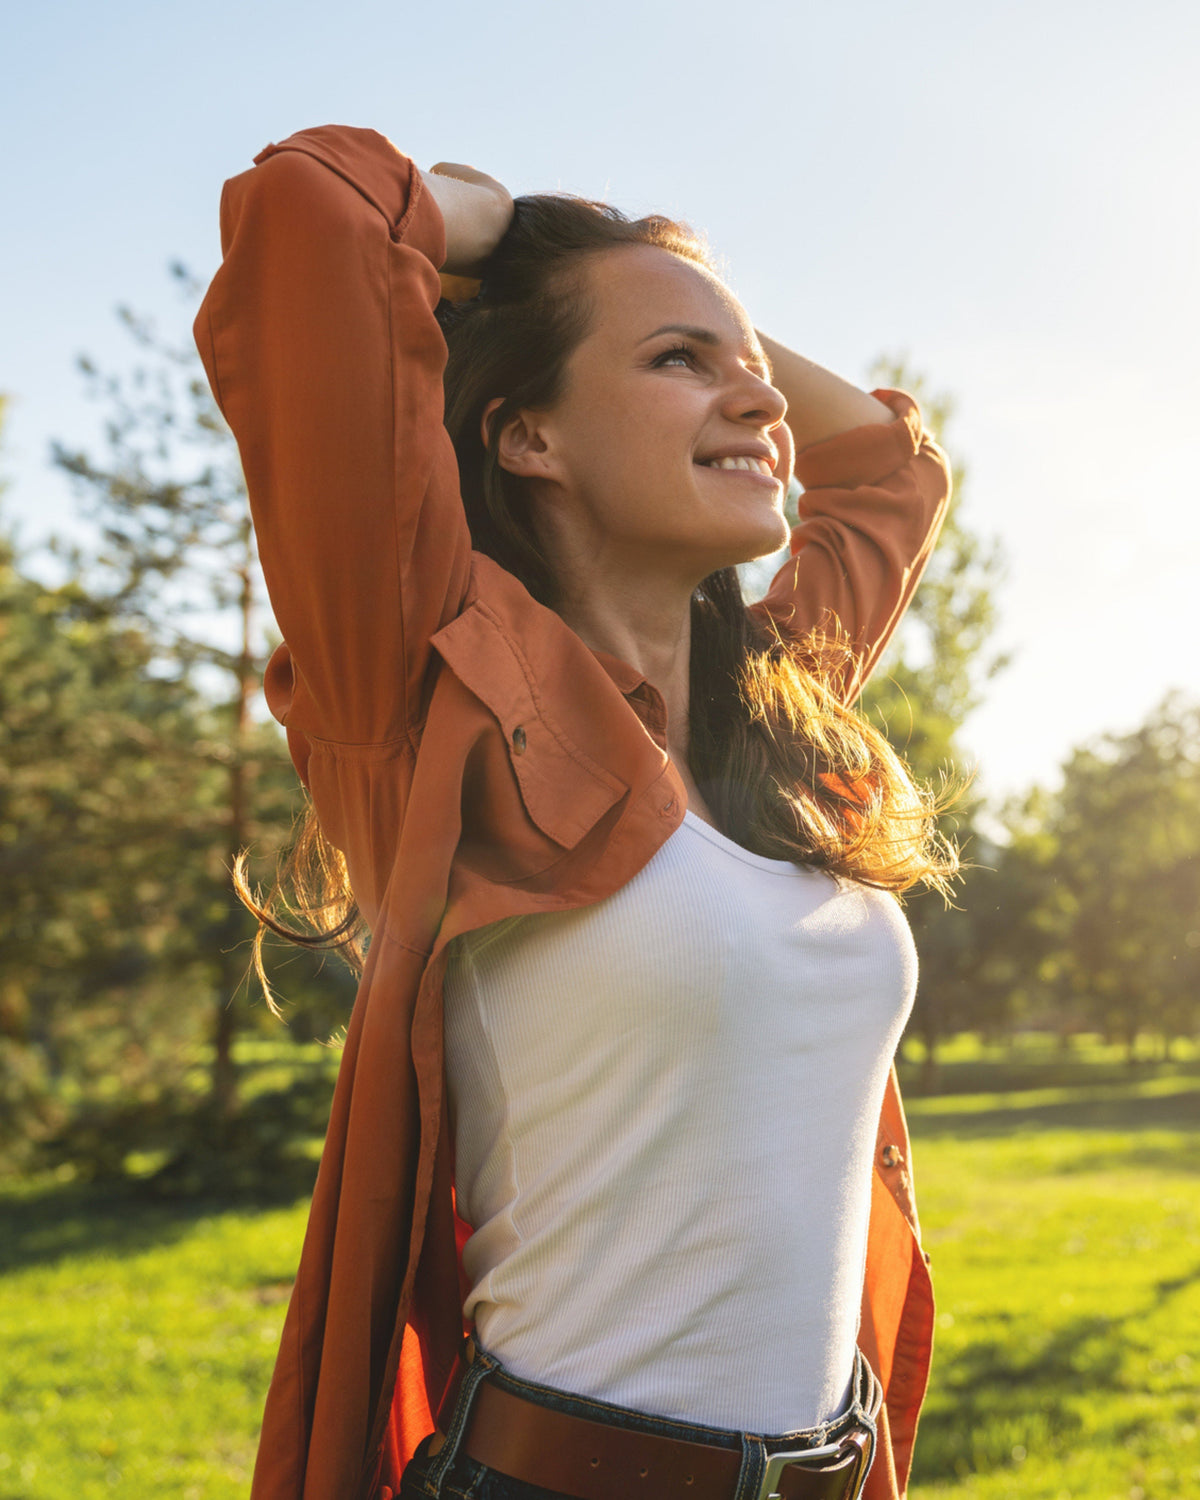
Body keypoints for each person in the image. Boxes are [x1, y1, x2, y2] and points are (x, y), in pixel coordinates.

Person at [195, 123, 955, 1500]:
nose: (761, 404)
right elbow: (311, 211)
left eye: (754, 376)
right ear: (526, 434)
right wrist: (514, 242)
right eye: (678, 367)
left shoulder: (774, 721)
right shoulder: (442, 705)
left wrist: (683, 310)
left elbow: (885, 472)